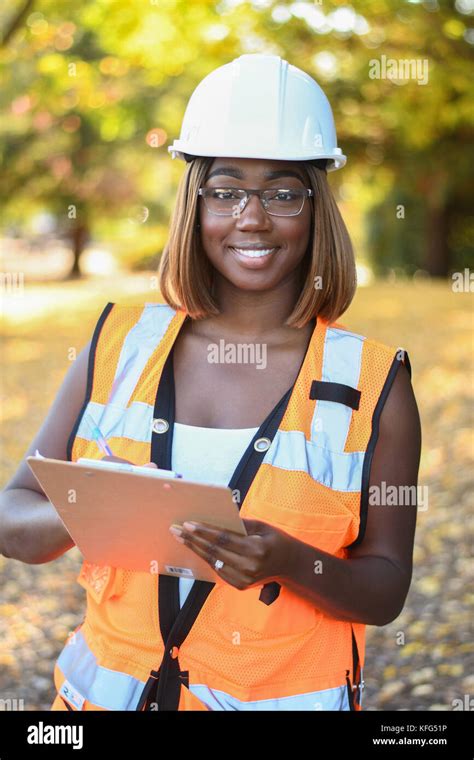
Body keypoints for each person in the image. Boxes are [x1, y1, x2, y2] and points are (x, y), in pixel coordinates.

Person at [0, 54, 421, 711]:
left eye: (282, 192)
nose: (251, 218)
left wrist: (289, 561)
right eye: (225, 190)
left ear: (317, 207)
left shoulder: (376, 384)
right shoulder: (116, 345)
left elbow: (387, 588)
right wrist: (81, 513)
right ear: (194, 202)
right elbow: (11, 516)